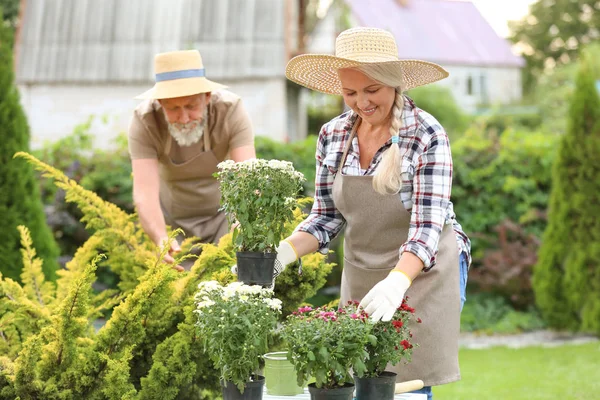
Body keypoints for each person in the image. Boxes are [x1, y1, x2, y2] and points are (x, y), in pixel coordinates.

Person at [273, 27, 471, 399]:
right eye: (350, 92)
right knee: (359, 384)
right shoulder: (332, 135)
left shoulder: (426, 133)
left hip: (422, 271)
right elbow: (325, 217)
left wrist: (398, 282)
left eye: (371, 90)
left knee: (407, 387)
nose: (361, 102)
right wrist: (281, 254)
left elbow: (428, 226)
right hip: (363, 272)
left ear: (393, 83)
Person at [128, 50, 256, 270]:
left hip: (224, 219)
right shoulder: (144, 121)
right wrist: (161, 238)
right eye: (173, 109)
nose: (184, 118)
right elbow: (144, 193)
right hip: (171, 226)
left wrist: (242, 223)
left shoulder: (230, 111)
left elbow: (249, 177)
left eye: (191, 106)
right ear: (160, 102)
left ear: (207, 97)